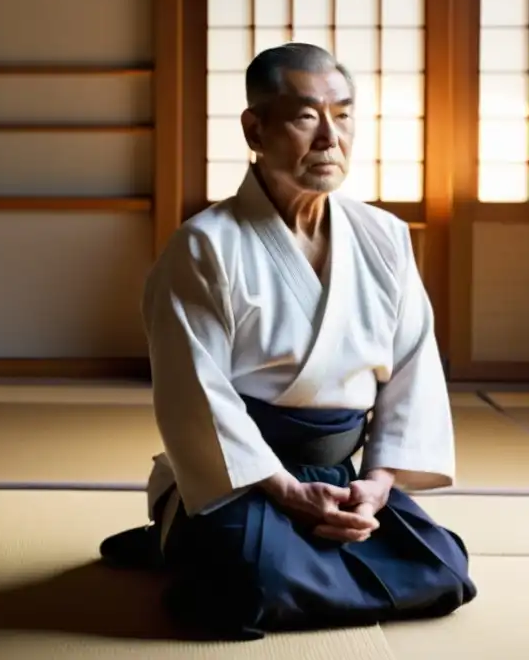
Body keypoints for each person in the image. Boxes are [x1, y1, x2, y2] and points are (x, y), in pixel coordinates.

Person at [100, 43, 476, 639]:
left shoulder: (384, 238)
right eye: (306, 117)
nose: (330, 137)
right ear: (256, 128)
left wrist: (376, 486)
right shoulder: (204, 247)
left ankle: (206, 550)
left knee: (442, 569)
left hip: (340, 480)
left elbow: (413, 371)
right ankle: (176, 531)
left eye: (344, 114)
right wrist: (286, 491)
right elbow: (194, 396)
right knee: (247, 585)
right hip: (240, 474)